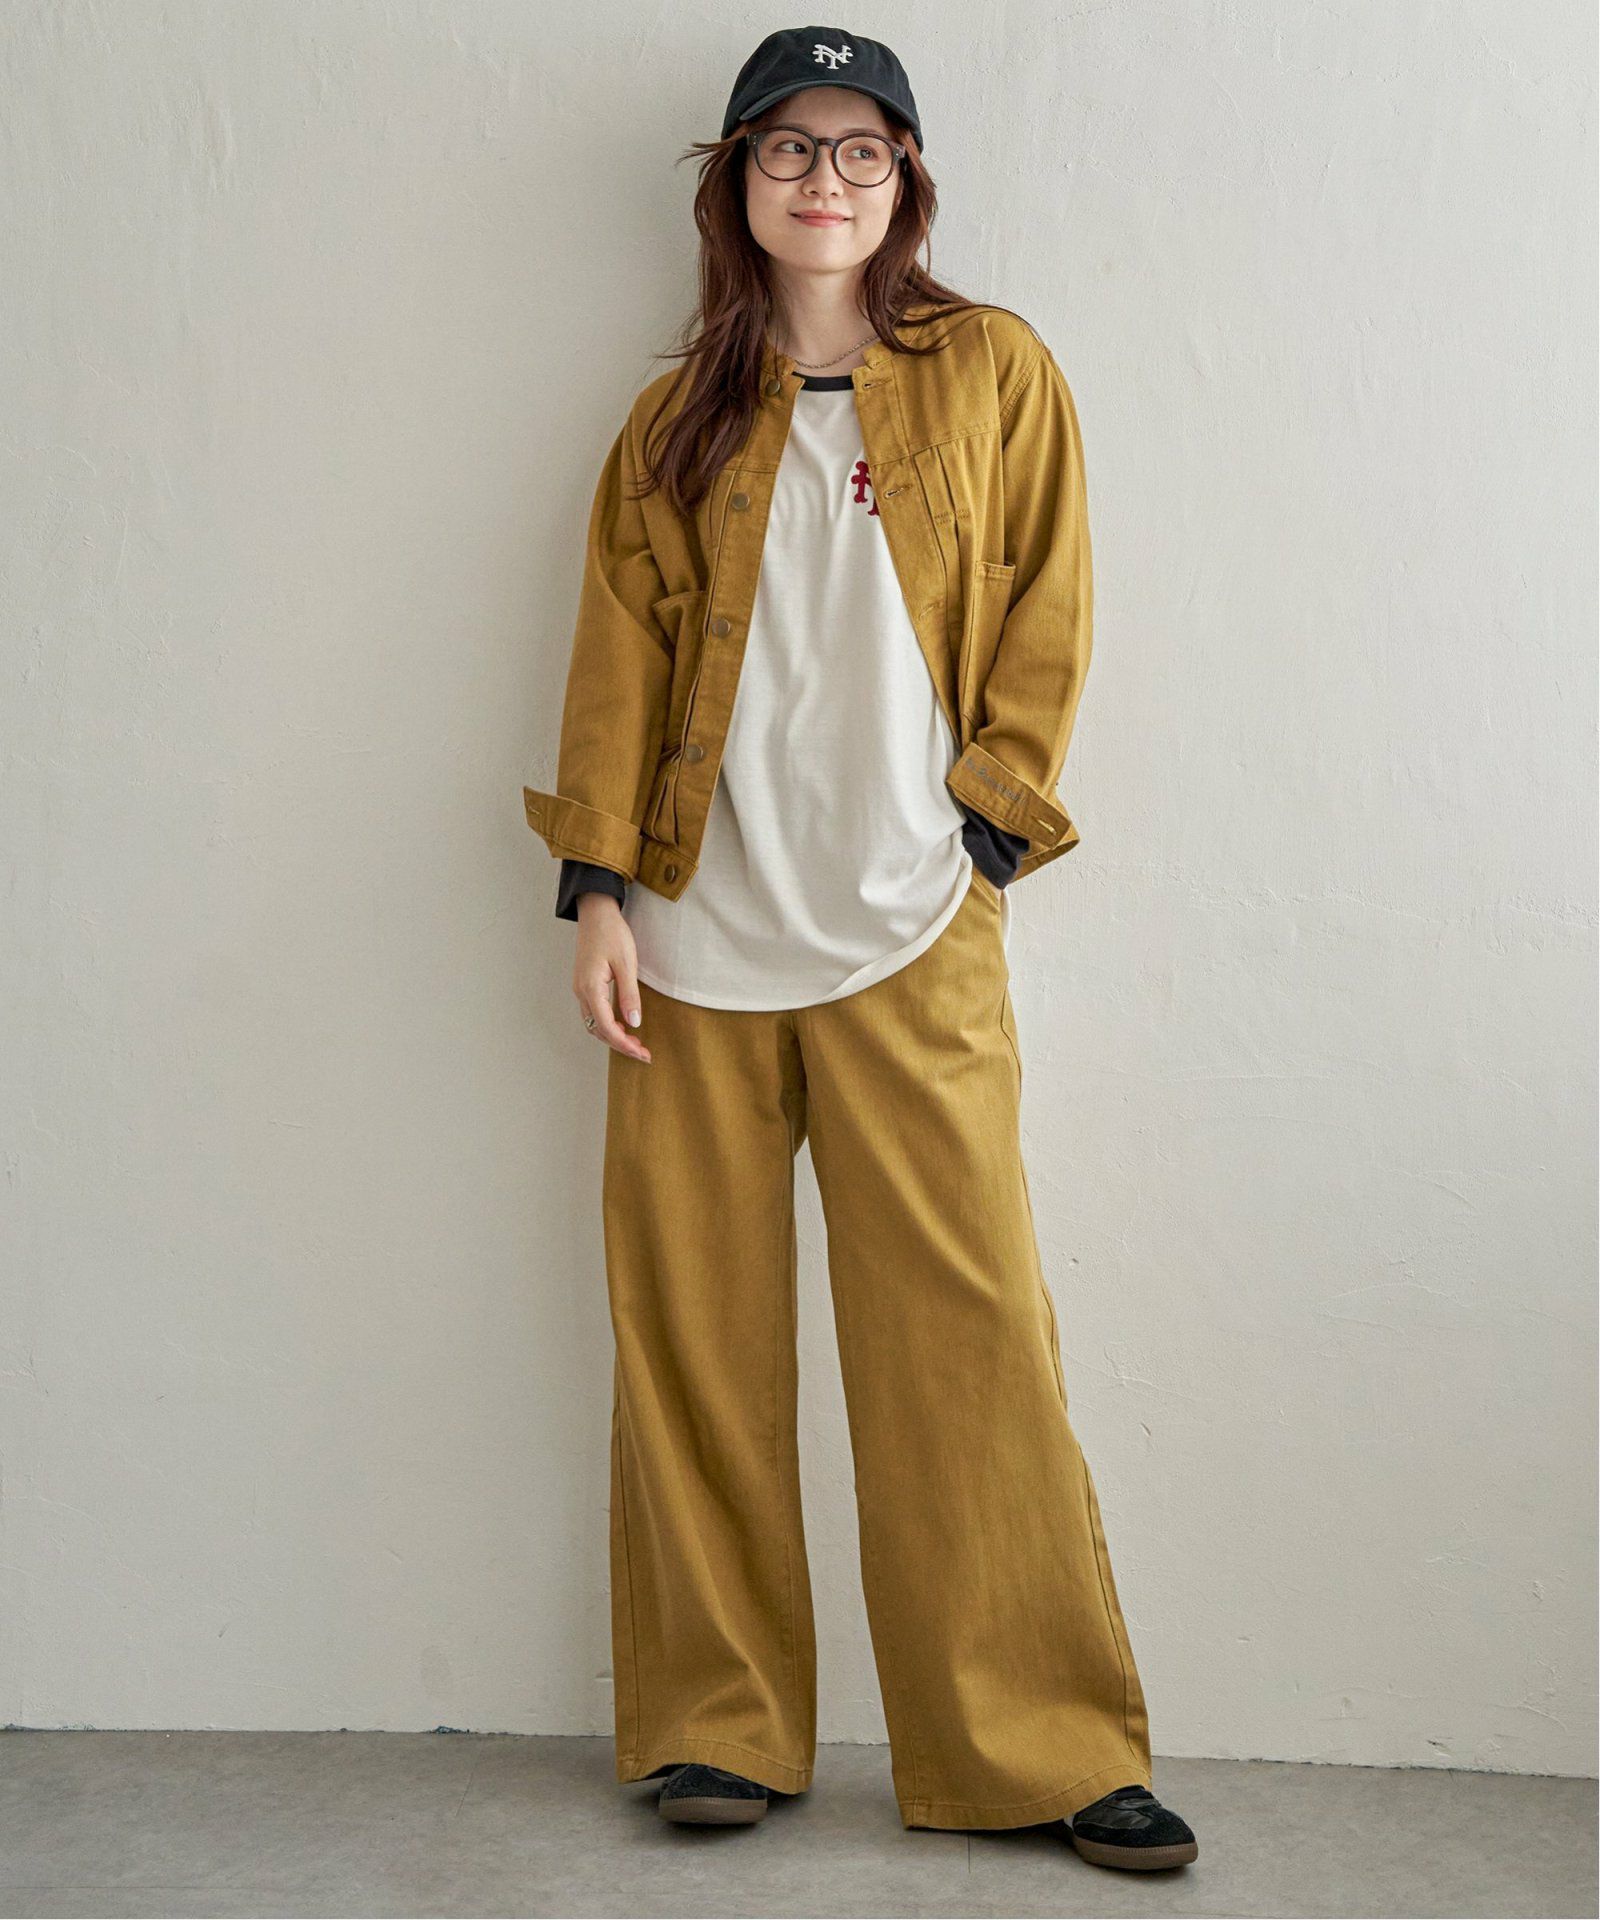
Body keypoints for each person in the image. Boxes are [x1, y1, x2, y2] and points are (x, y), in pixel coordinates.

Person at [521, 25, 1199, 1873]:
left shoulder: (994, 371)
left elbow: (1049, 602)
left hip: (914, 926)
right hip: (690, 940)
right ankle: (716, 1724)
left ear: (905, 180)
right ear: (735, 183)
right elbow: (616, 658)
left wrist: (988, 828)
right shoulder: (673, 419)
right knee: (694, 1337)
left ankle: (1039, 1748)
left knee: (965, 1332)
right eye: (787, 149)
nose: (823, 180)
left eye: (859, 150)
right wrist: (596, 891)